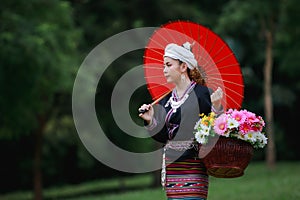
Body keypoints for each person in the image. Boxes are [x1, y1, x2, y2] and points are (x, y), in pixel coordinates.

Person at [139, 42, 223, 200]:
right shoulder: (166, 100)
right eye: (164, 65)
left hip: (193, 166)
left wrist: (216, 107)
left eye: (169, 65)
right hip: (172, 169)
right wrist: (150, 121)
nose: (164, 70)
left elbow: (215, 130)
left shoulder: (203, 94)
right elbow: (163, 136)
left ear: (183, 67)